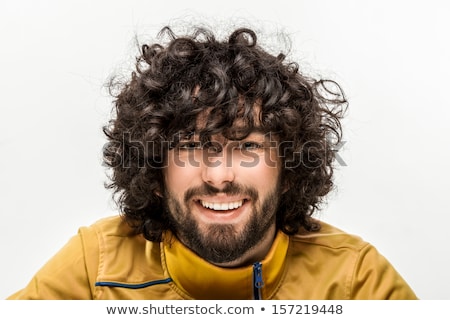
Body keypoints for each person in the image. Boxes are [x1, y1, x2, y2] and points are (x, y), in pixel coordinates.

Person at [7, 25, 417, 300]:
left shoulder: (356, 281)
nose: (219, 176)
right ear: (154, 170)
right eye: (189, 147)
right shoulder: (92, 266)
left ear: (289, 168)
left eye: (248, 147)